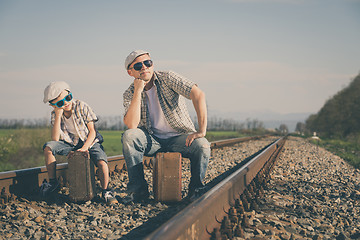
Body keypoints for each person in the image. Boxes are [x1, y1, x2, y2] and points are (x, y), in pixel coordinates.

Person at [121, 50, 211, 203]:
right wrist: (138, 91)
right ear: (130, 72)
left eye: (147, 63)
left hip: (179, 138)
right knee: (129, 136)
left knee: (202, 145)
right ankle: (139, 191)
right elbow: (131, 124)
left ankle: (196, 189)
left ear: (152, 64)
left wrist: (201, 131)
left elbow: (198, 94)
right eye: (138, 66)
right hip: (152, 141)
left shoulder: (168, 78)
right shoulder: (129, 93)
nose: (144, 67)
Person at [41, 81, 118, 205]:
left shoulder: (82, 106)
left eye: (68, 97)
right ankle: (52, 182)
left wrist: (85, 148)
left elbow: (92, 131)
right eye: (60, 102)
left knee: (102, 162)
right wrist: (58, 115)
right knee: (48, 147)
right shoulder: (55, 114)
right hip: (70, 144)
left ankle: (106, 190)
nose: (66, 103)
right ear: (52, 105)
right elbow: (55, 139)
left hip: (90, 141)